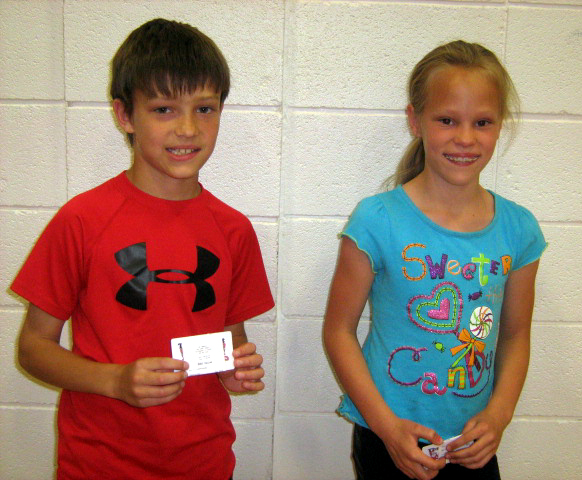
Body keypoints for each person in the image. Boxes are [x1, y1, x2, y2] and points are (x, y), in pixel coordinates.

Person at [12, 18, 274, 480]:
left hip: (204, 462)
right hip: (97, 464)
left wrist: (233, 369)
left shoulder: (234, 230)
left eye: (205, 109)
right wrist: (114, 380)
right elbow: (33, 348)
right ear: (125, 115)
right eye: (164, 109)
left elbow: (230, 338)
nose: (188, 129)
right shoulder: (82, 220)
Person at [323, 40, 546, 480]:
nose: (465, 138)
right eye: (447, 120)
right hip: (388, 437)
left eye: (482, 122)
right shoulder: (378, 219)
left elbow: (516, 335)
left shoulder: (519, 229)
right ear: (415, 120)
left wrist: (498, 416)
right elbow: (338, 331)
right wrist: (387, 429)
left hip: (472, 443)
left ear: (499, 126)